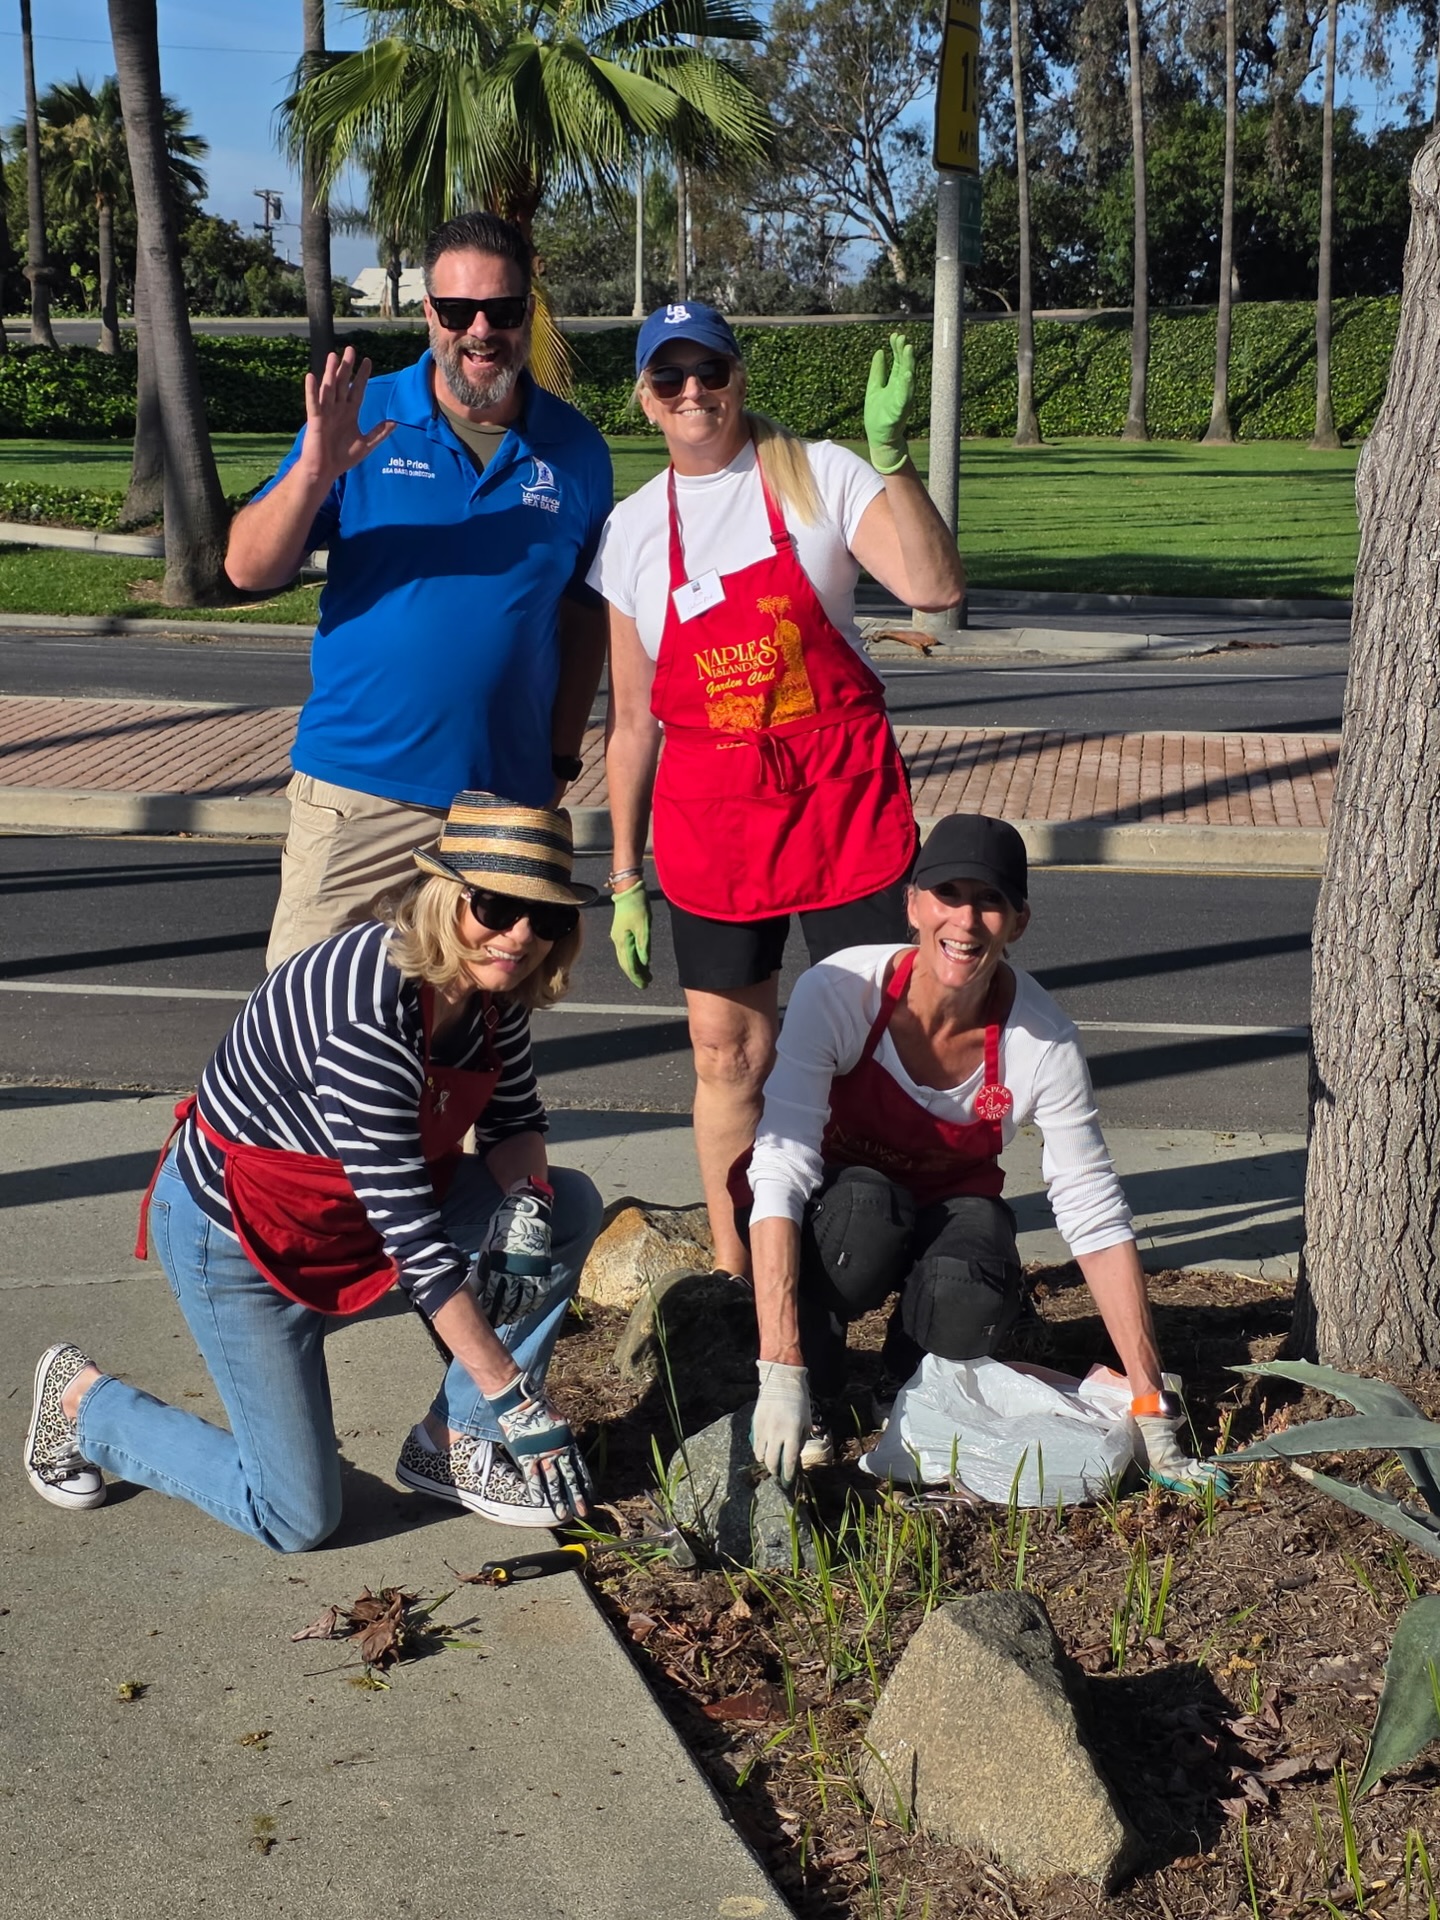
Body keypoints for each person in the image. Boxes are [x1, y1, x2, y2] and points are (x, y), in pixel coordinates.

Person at [22, 793, 604, 1549]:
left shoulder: (492, 989)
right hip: (243, 1244)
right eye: (494, 906)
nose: (519, 936)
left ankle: (452, 1444)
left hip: (357, 1221)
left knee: (566, 1205)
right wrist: (515, 1396)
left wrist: (525, 1202)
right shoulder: (364, 1010)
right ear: (443, 896)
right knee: (295, 1517)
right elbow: (419, 1250)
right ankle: (82, 1406)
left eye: (546, 918)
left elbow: (515, 1121)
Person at [593, 300, 966, 1281]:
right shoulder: (633, 531)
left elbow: (932, 588)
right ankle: (741, 1272)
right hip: (714, 817)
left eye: (707, 371)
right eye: (668, 379)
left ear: (737, 375)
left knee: (884, 1044)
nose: (692, 394)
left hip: (840, 799)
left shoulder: (818, 473)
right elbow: (631, 724)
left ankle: (893, 1256)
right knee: (726, 1056)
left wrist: (893, 457)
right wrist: (624, 876)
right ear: (645, 398)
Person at [738, 812, 1229, 1496]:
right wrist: (780, 1364)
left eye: (989, 902)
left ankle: (903, 1384)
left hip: (948, 1205)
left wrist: (1148, 1398)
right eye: (948, 895)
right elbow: (781, 1168)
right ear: (912, 905)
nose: (965, 922)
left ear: (1018, 922)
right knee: (864, 1211)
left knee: (975, 1273)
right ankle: (814, 1387)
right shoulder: (838, 992)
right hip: (842, 1210)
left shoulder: (1043, 1040)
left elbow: (1091, 1211)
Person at [226, 210, 613, 969]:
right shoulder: (364, 417)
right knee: (308, 1028)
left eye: (501, 311)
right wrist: (314, 471)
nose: (480, 330)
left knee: (465, 1044)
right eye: (457, 310)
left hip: (498, 815)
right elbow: (247, 569)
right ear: (427, 312)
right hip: (359, 794)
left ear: (526, 312)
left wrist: (559, 765)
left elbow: (581, 618)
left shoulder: (576, 452)